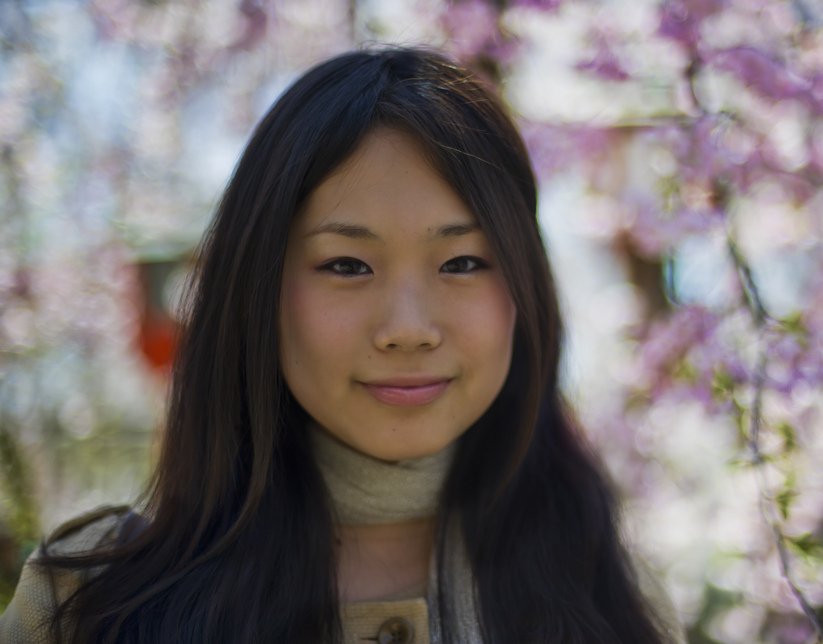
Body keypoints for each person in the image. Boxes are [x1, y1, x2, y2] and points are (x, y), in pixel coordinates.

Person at [0, 47, 680, 644]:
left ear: (525, 292)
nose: (408, 327)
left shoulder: (610, 598)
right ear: (258, 293)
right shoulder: (88, 603)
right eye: (347, 266)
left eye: (464, 262)